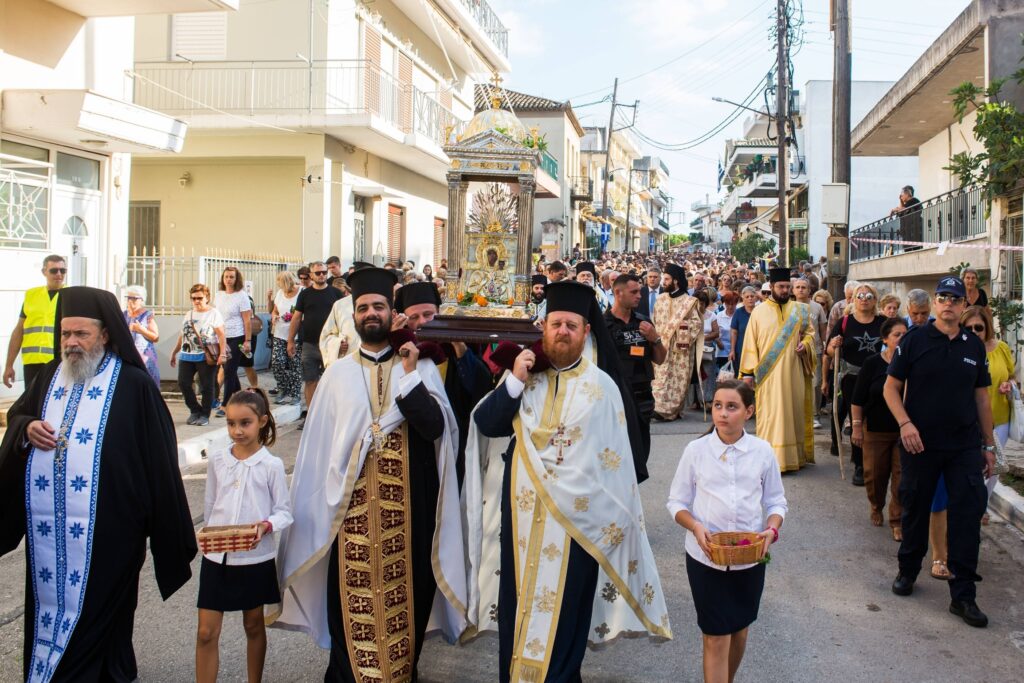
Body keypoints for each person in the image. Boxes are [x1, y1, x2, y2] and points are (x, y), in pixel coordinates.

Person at [465, 280, 671, 681]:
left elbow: (617, 468)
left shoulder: (602, 388)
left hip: (577, 528)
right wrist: (514, 380)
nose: (562, 331)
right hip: (522, 525)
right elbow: (486, 424)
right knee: (519, 608)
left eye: (571, 326)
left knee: (565, 617)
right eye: (556, 323)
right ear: (543, 328)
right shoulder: (526, 379)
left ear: (586, 332)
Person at [271, 267, 467, 681]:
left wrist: (411, 376)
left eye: (379, 306)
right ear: (353, 317)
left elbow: (435, 429)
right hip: (349, 521)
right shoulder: (337, 377)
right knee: (348, 609)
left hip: (409, 519)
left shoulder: (420, 366)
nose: (371, 314)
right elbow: (318, 457)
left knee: (407, 607)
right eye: (363, 308)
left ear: (390, 312)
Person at [0, 286, 197, 681]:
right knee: (48, 612)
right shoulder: (49, 377)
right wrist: (26, 430)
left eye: (81, 334)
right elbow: (17, 419)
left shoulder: (135, 387)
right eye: (65, 334)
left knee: (101, 628)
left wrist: (163, 530)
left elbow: (159, 465)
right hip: (49, 540)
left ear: (105, 334)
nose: (71, 343)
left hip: (110, 537)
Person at [885, 276, 995, 628]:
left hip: (963, 445)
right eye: (943, 297)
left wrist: (989, 445)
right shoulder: (915, 340)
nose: (948, 303)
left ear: (964, 305)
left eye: (955, 298)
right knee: (916, 507)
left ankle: (963, 596)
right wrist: (905, 424)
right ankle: (908, 569)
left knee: (966, 517)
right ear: (935, 303)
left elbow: (982, 398)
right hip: (921, 444)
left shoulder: (972, 346)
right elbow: (891, 388)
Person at [667, 379, 786, 683]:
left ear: (749, 411)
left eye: (731, 407)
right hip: (705, 558)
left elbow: (776, 502)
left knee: (740, 630)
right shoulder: (696, 450)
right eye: (718, 405)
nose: (722, 413)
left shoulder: (762, 451)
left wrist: (770, 531)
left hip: (750, 556)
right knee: (716, 636)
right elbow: (676, 502)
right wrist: (695, 526)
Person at [196, 388, 292, 683]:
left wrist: (265, 525)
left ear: (262, 421)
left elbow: (284, 512)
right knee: (205, 631)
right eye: (230, 423)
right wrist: (205, 536)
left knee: (253, 626)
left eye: (245, 423)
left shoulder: (271, 465)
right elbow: (210, 506)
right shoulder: (217, 460)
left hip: (255, 559)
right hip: (217, 558)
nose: (236, 431)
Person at [394, 281, 491, 484]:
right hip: (413, 447)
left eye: (428, 314)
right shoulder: (398, 349)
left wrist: (458, 345)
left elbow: (479, 384)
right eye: (414, 317)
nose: (422, 321)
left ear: (439, 312)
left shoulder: (454, 345)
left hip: (454, 443)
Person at [739, 267, 816, 473]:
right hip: (768, 377)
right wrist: (747, 374)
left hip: (794, 372)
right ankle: (770, 460)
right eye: (781, 286)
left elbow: (810, 334)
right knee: (771, 417)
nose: (785, 290)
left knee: (794, 414)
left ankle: (794, 458)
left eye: (787, 287)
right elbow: (749, 344)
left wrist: (806, 345)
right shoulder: (758, 311)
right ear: (772, 287)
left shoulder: (800, 310)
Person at [851, 317, 908, 539]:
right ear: (885, 339)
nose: (902, 339)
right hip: (875, 429)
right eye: (897, 335)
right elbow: (858, 399)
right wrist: (857, 427)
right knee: (875, 475)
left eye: (906, 334)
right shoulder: (873, 363)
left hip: (904, 431)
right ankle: (876, 505)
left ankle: (897, 520)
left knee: (902, 477)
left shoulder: (912, 364)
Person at [824, 283, 885, 485]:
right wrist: (834, 346)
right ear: (853, 300)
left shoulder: (884, 322)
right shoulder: (844, 322)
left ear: (875, 300)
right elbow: (829, 352)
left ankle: (878, 462)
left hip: (880, 378)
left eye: (869, 295)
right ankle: (860, 465)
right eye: (860, 295)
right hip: (852, 379)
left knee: (877, 420)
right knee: (857, 421)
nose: (864, 299)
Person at [605, 273, 667, 464]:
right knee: (614, 452)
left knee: (640, 451)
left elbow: (660, 359)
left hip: (642, 395)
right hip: (615, 395)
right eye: (634, 292)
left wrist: (655, 338)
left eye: (639, 291)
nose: (639, 295)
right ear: (618, 293)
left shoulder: (643, 322)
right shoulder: (603, 324)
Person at [961, 305, 1014, 506]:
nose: (974, 332)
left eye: (978, 328)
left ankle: (982, 505)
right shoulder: (958, 349)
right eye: (968, 328)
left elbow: (1011, 375)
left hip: (999, 417)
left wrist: (1009, 384)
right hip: (970, 420)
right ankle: (970, 505)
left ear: (987, 328)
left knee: (994, 466)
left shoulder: (1001, 348)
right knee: (971, 466)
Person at [288, 261, 343, 415]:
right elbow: (297, 318)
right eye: (318, 273)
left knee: (332, 381)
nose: (321, 275)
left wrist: (342, 341)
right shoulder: (305, 294)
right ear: (311, 275)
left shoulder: (336, 294)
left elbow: (344, 319)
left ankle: (331, 414)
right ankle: (312, 415)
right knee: (310, 380)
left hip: (331, 344)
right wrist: (291, 340)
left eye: (324, 272)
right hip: (309, 344)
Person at [4, 254, 65, 390]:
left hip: (60, 362)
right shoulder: (31, 295)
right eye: (54, 270)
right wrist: (9, 365)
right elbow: (19, 330)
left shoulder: (71, 295)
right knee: (31, 406)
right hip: (32, 363)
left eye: (63, 270)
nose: (59, 274)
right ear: (44, 272)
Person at [652, 263, 704, 421]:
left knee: (677, 380)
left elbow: (696, 324)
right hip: (662, 346)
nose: (663, 282)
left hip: (680, 350)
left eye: (666, 279)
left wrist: (681, 331)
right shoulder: (660, 299)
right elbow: (654, 320)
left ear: (675, 281)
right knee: (660, 378)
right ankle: (659, 408)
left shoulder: (689, 301)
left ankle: (672, 410)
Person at [171, 284, 227, 426]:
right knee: (183, 383)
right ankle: (195, 410)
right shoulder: (189, 314)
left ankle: (205, 414)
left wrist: (222, 353)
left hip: (205, 355)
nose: (196, 301)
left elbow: (221, 335)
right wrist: (175, 351)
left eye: (200, 298)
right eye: (193, 298)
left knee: (207, 386)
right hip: (186, 354)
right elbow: (183, 334)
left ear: (207, 297)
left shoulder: (213, 313)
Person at [214, 266, 254, 413]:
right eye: (226, 277)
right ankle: (239, 396)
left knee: (230, 370)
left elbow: (247, 320)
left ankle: (226, 404)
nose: (228, 280)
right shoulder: (218, 294)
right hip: (221, 336)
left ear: (236, 279)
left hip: (237, 336)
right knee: (227, 369)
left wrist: (247, 340)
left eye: (231, 277)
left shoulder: (241, 296)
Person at [269, 271, 303, 405]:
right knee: (277, 362)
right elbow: (275, 310)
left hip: (295, 335)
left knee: (295, 365)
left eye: (282, 284)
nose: (281, 288)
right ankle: (283, 388)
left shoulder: (302, 292)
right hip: (279, 333)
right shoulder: (279, 293)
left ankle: (295, 394)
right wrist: (274, 316)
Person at [122, 285, 160, 386]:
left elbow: (155, 337)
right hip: (128, 357)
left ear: (141, 300)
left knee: (148, 385)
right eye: (128, 298)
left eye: (134, 298)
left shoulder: (147, 315)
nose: (130, 301)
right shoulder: (123, 315)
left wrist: (141, 330)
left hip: (145, 358)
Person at [729, 286, 758, 370]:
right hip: (741, 349)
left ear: (756, 297)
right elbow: (734, 332)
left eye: (752, 296)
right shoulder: (738, 312)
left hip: (757, 349)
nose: (750, 299)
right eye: (747, 297)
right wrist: (732, 350)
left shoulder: (759, 311)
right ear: (743, 298)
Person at [715, 291, 737, 368]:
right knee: (722, 377)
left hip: (736, 349)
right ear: (725, 303)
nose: (730, 306)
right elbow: (714, 331)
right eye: (728, 304)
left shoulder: (738, 314)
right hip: (722, 350)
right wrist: (718, 342)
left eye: (733, 304)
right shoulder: (719, 315)